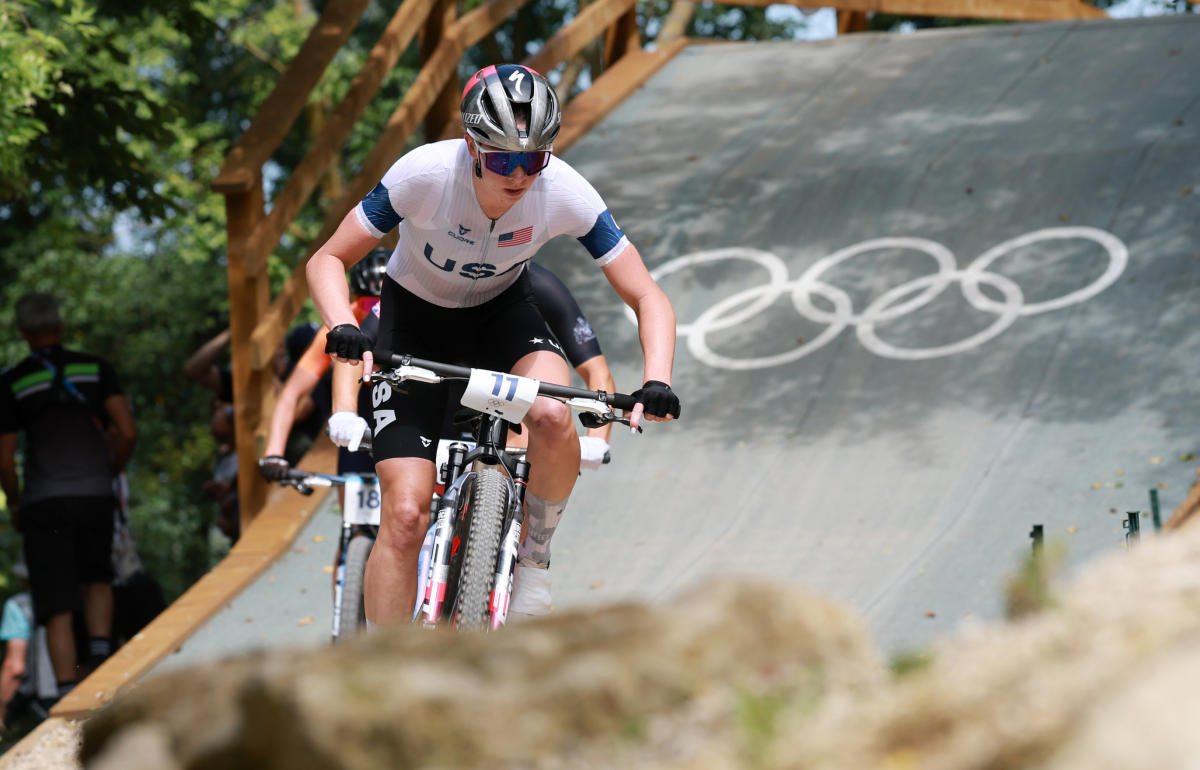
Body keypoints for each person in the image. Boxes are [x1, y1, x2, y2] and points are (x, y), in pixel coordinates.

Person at [305, 63, 681, 627]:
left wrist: (658, 378)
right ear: (472, 147)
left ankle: (533, 563)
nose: (520, 175)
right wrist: (343, 324)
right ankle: (384, 670)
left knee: (554, 412)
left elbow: (647, 295)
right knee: (405, 516)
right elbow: (327, 258)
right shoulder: (424, 174)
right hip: (414, 320)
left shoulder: (564, 190)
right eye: (504, 159)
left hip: (502, 316)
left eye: (533, 159)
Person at [0, 292, 137, 698]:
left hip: (44, 502)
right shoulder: (95, 369)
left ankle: (63, 693)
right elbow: (127, 431)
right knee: (98, 579)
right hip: (95, 494)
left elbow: (5, 460)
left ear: (24, 334)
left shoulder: (12, 382)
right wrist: (110, 471)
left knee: (56, 603)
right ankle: (101, 668)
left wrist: (17, 502)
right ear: (60, 327)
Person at [256, 249, 389, 484]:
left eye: (380, 305)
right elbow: (291, 394)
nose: (374, 313)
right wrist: (274, 454)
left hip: (405, 408)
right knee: (351, 482)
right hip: (359, 417)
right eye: (368, 303)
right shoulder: (342, 324)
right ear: (356, 299)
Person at [0, 562, 56, 731]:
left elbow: (15, 667)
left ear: (24, 580)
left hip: (43, 696)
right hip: (83, 687)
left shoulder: (19, 605)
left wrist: (1, 709)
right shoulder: (80, 596)